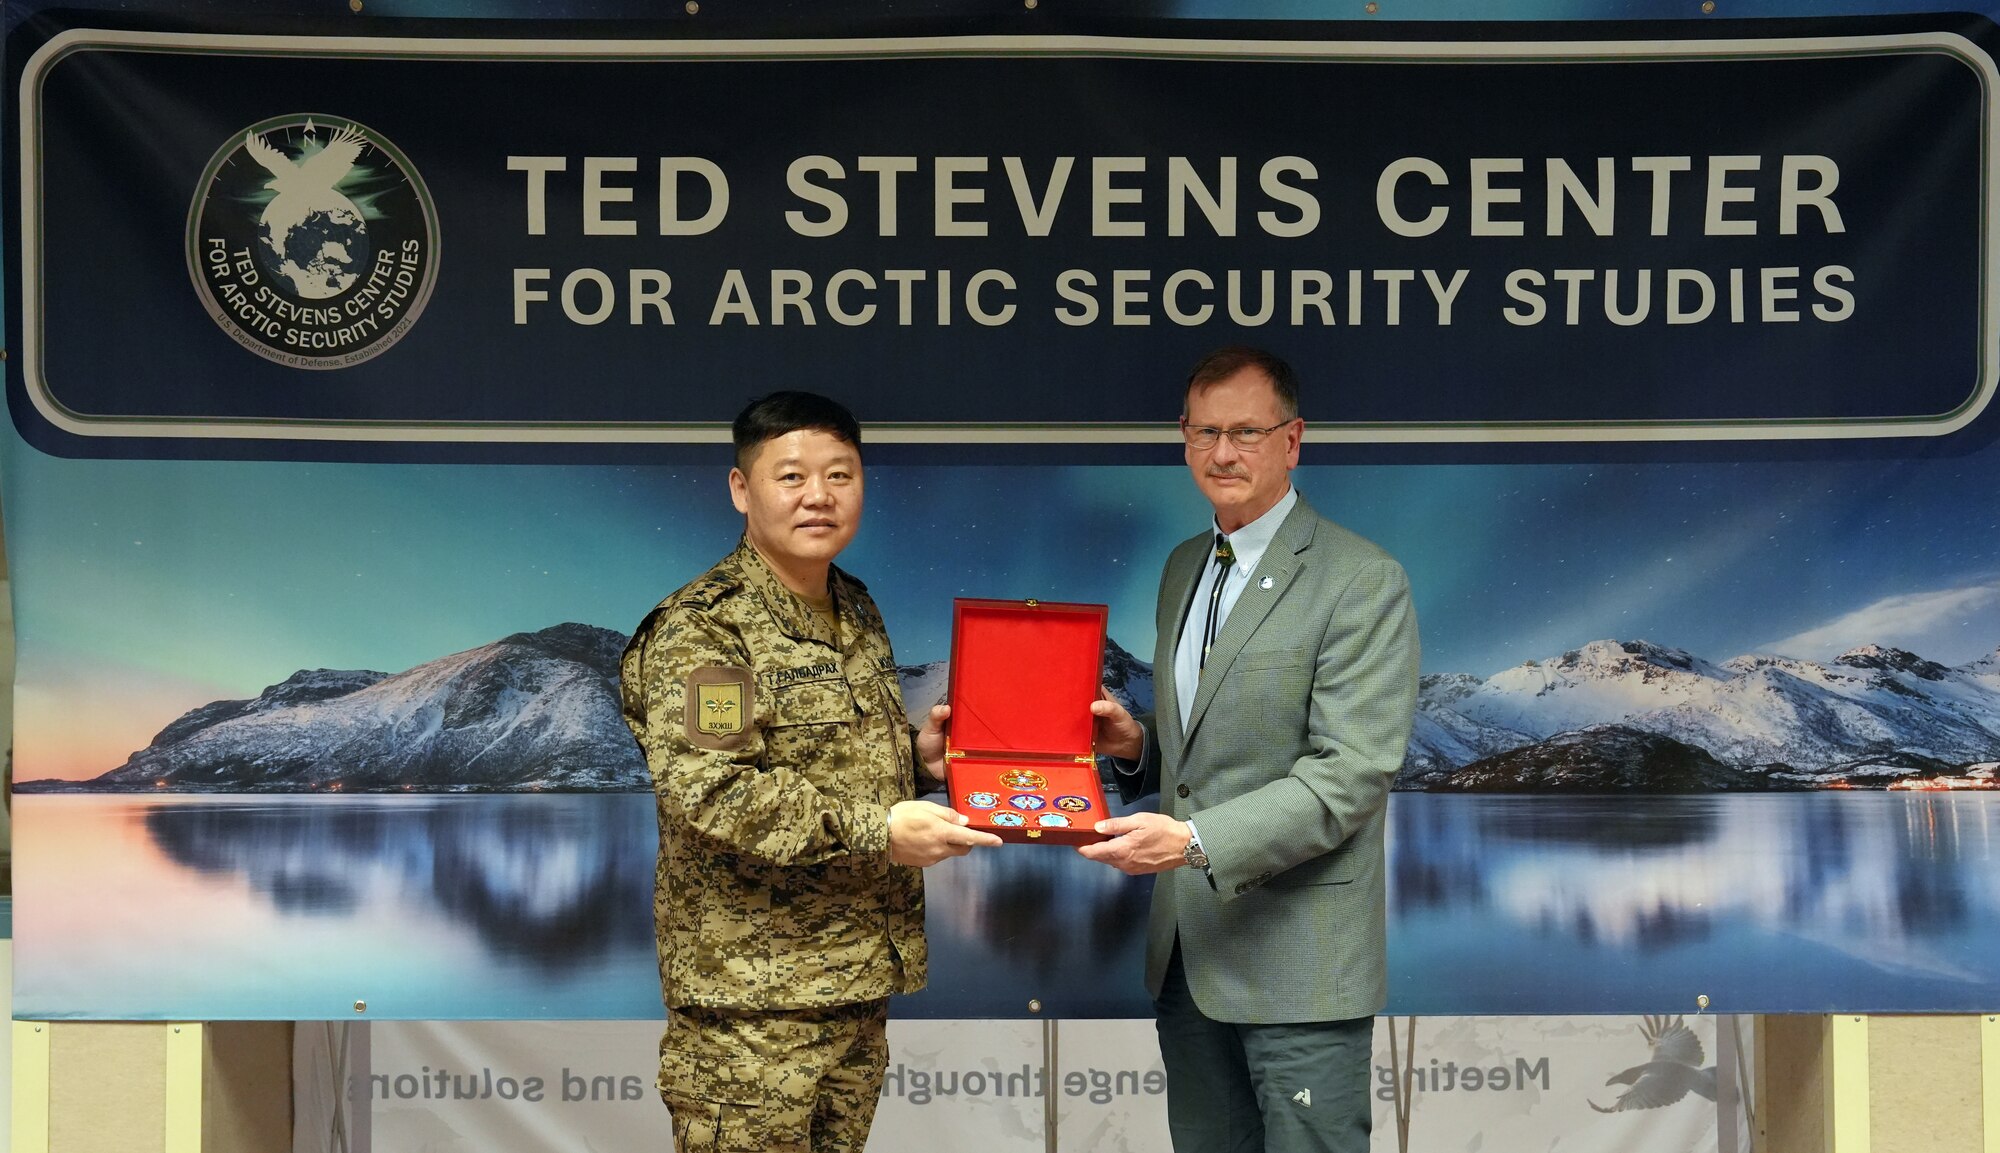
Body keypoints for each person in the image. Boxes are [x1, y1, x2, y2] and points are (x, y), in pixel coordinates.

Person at [619, 390, 1002, 1153]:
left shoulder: (854, 608)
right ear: (741, 489)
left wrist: (919, 772)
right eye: (791, 477)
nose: (819, 496)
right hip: (751, 1008)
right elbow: (714, 789)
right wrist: (879, 828)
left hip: (853, 980)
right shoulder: (707, 627)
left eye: (840, 475)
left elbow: (842, 764)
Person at [1081, 346, 1420, 1153]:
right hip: (1189, 959)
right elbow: (1209, 760)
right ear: (1183, 437)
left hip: (1299, 966)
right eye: (1205, 432)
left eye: (1246, 431)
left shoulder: (1361, 578)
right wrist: (1138, 749)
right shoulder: (1181, 568)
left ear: (1293, 440)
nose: (1223, 453)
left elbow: (1351, 773)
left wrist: (1196, 841)